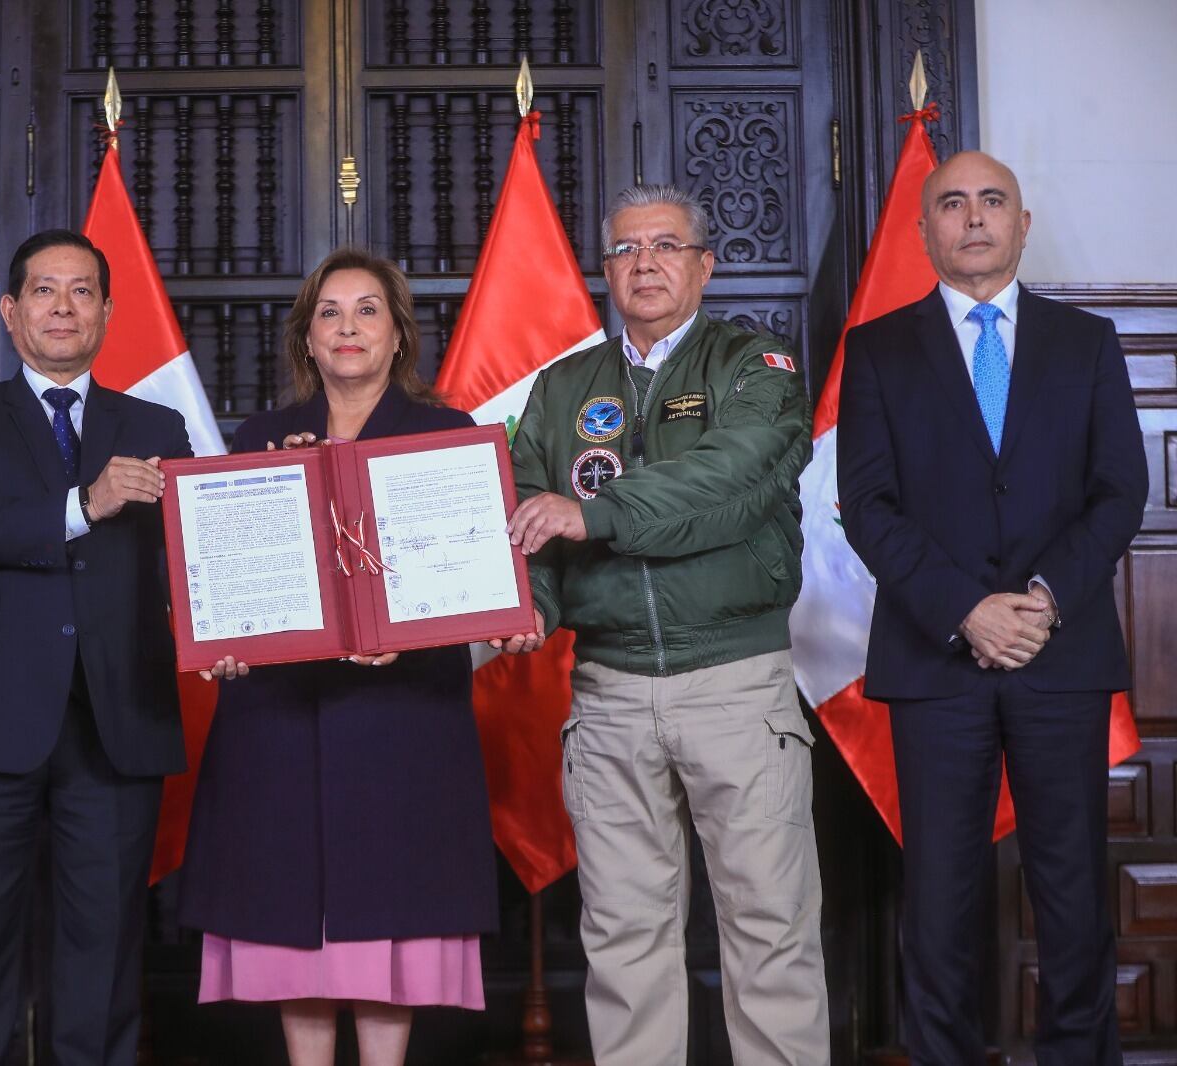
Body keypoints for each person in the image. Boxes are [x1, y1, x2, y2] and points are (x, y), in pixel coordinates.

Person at [503, 184, 828, 1064]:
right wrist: (530, 603)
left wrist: (594, 515)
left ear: (704, 265)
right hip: (608, 694)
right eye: (625, 249)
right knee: (623, 939)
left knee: (770, 929)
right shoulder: (562, 387)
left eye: (666, 246)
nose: (644, 263)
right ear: (605, 271)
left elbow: (730, 479)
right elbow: (529, 518)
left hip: (736, 687)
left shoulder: (756, 366)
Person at [837, 151, 1145, 1065]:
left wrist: (1042, 599)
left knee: (1073, 894)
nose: (973, 217)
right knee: (938, 903)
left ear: (1022, 223)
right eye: (952, 203)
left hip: (1062, 653)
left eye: (992, 201)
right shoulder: (879, 349)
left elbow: (1120, 491)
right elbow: (869, 506)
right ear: (925, 228)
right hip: (936, 661)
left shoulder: (1087, 342)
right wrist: (967, 609)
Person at [177, 248, 502, 1066]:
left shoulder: (446, 436)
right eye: (329, 312)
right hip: (279, 729)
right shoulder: (258, 440)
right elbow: (234, 585)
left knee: (390, 933)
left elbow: (469, 588)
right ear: (307, 338)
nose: (347, 326)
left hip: (404, 724)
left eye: (367, 310)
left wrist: (413, 635)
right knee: (299, 937)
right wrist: (228, 645)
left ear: (397, 336)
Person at [0, 229, 192, 1065]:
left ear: (107, 311)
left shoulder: (157, 424)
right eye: (44, 290)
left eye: (81, 291)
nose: (63, 307)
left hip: (118, 716)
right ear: (10, 312)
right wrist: (85, 502)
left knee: (103, 950)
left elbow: (198, 554)